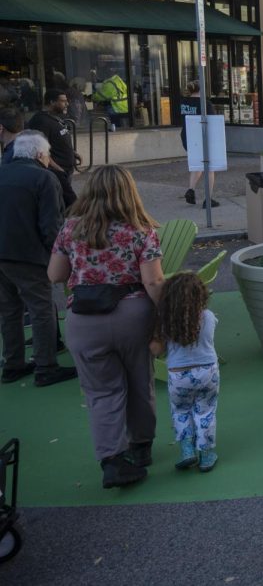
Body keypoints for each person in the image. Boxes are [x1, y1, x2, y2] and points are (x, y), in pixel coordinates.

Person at [48, 164, 163, 488]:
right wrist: (166, 315)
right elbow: (153, 281)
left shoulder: (71, 229)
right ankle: (141, 447)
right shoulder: (141, 229)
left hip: (84, 320)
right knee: (140, 381)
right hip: (132, 315)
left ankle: (113, 460)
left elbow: (55, 275)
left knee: (101, 392)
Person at [0, 131, 74, 387]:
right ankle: (46, 366)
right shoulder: (44, 178)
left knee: (9, 311)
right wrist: (59, 257)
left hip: (3, 253)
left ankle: (13, 364)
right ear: (40, 154)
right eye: (48, 154)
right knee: (42, 309)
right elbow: (51, 225)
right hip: (29, 255)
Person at [154, 272, 221, 472]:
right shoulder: (208, 317)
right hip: (207, 371)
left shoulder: (167, 321)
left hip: (178, 374)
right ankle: (206, 454)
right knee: (206, 411)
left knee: (181, 411)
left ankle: (187, 451)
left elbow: (158, 349)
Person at [28, 88, 79, 207]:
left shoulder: (55, 117)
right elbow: (40, 149)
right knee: (67, 203)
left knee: (66, 202)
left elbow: (58, 140)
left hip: (66, 169)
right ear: (51, 102)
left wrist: (74, 153)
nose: (67, 104)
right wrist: (57, 168)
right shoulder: (40, 120)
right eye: (63, 101)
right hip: (56, 171)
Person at [179, 81, 219, 208]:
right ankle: (208, 199)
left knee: (198, 163)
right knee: (209, 167)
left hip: (187, 137)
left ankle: (191, 190)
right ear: (202, 90)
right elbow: (213, 122)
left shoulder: (184, 102)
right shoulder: (205, 104)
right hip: (202, 138)